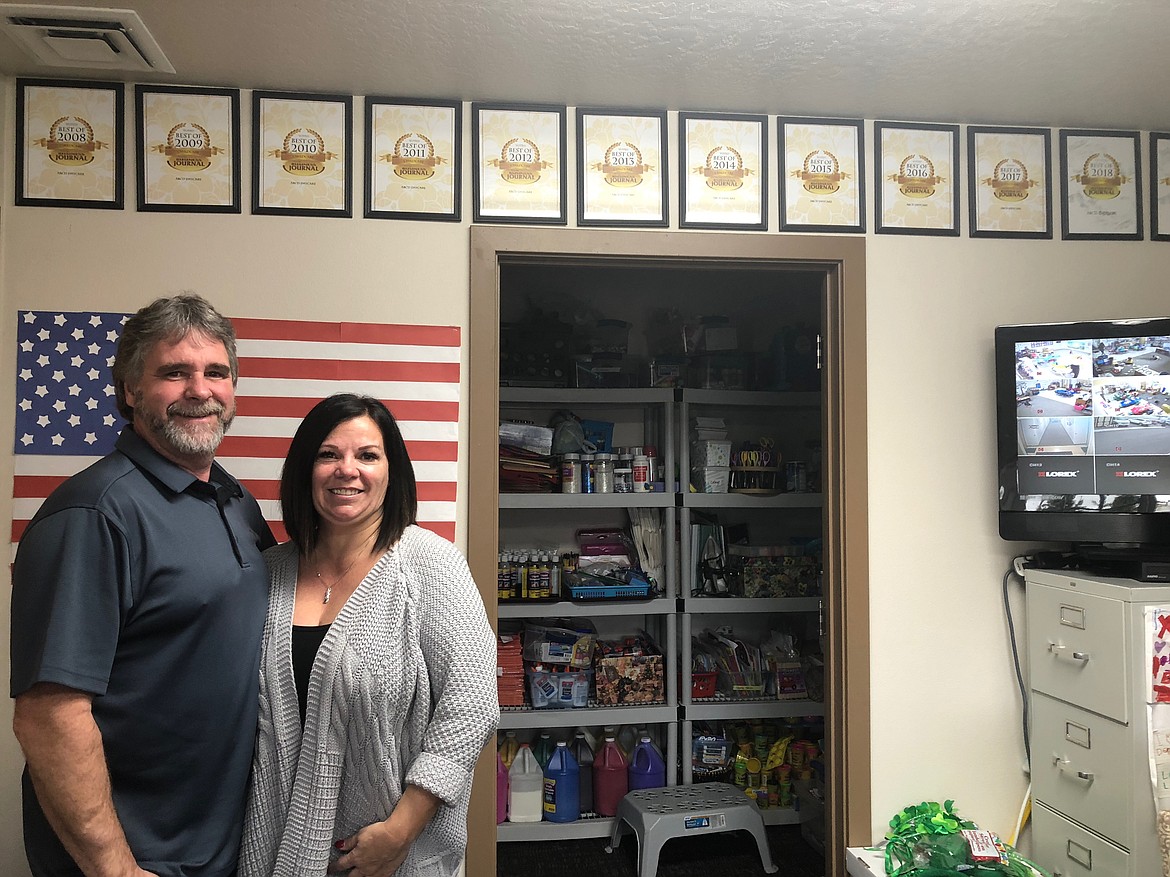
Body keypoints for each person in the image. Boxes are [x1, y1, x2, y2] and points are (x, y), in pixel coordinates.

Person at [10, 294, 275, 877]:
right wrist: (115, 868)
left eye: (216, 372)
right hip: (139, 858)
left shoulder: (234, 501)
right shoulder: (94, 513)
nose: (199, 390)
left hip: (226, 848)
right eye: (173, 372)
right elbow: (48, 714)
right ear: (130, 390)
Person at [239, 394, 499, 877]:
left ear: (391, 470)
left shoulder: (429, 565)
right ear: (305, 469)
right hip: (273, 847)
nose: (347, 470)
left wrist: (400, 832)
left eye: (367, 455)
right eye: (328, 454)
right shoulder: (268, 572)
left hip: (393, 855)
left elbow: (471, 704)